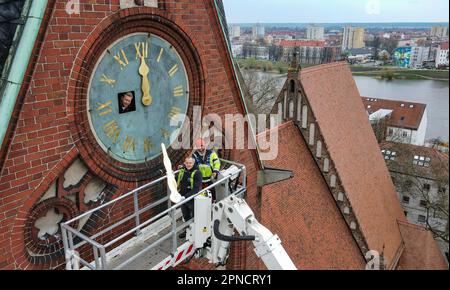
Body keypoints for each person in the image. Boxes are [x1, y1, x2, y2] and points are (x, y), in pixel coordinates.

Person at [177, 157, 202, 239]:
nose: (188, 164)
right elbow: (176, 180)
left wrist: (185, 197)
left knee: (195, 216)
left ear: (193, 163)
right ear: (184, 163)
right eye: (187, 163)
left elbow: (196, 189)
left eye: (190, 163)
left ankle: (196, 232)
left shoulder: (197, 173)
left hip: (192, 199)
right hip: (183, 198)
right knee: (186, 216)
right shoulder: (183, 171)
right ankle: (187, 231)